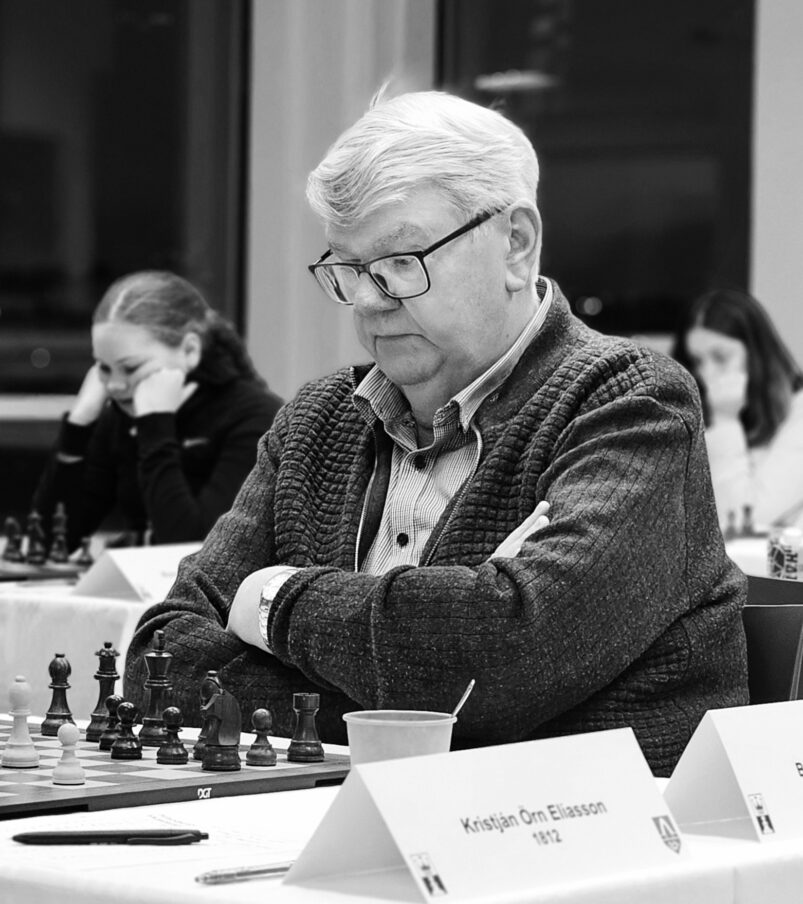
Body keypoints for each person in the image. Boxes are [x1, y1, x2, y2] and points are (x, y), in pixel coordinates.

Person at [125, 91, 747, 776]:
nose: (368, 301)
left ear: (515, 244)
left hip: (568, 822)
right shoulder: (317, 419)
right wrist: (425, 694)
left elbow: (505, 660)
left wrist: (274, 601)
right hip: (322, 812)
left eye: (400, 262)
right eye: (349, 269)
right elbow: (159, 662)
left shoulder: (629, 403)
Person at [34, 270, 282, 550]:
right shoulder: (120, 417)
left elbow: (200, 553)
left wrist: (156, 427)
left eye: (131, 368)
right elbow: (50, 543)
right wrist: (79, 425)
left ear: (189, 351)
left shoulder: (255, 418)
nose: (114, 385)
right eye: (104, 368)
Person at [674, 288, 803, 533]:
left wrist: (726, 420)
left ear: (756, 353)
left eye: (721, 357)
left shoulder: (799, 411)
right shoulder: (700, 414)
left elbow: (744, 520)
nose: (707, 374)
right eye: (698, 361)